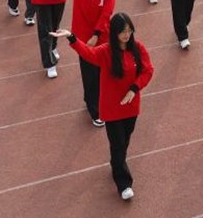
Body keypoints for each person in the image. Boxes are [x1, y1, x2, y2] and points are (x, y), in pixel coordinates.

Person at [52, 13, 154, 200]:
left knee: (124, 141)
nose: (127, 35)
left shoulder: (138, 48)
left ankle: (116, 162)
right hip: (112, 109)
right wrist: (72, 37)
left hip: (131, 106)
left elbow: (148, 70)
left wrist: (134, 88)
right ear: (114, 33)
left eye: (129, 31)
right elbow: (87, 53)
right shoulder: (106, 51)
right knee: (118, 144)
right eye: (123, 32)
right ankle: (124, 184)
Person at [46, 0, 116, 123]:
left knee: (102, 73)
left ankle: (96, 100)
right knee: (89, 74)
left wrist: (96, 35)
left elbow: (106, 14)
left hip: (101, 39)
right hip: (83, 40)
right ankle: (95, 111)